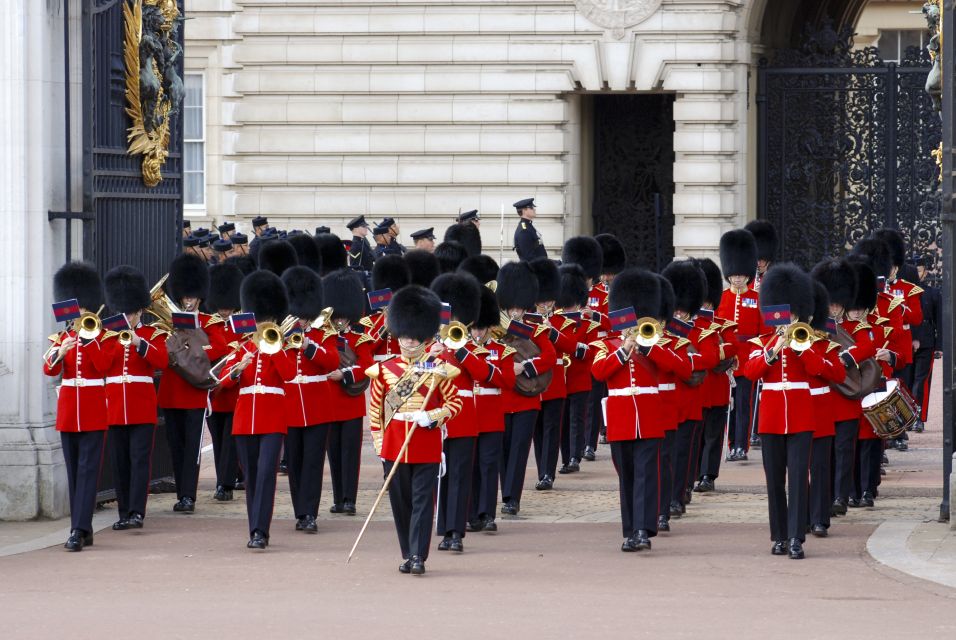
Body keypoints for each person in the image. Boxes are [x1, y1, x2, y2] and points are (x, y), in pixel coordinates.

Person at [740, 263, 838, 560]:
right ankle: (779, 536)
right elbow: (750, 371)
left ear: (799, 312)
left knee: (797, 478)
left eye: (793, 314)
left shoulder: (811, 342)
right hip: (771, 420)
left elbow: (827, 371)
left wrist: (802, 348)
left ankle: (796, 537)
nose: (788, 319)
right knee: (774, 481)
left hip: (801, 417)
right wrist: (774, 349)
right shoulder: (762, 343)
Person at [366, 286, 462, 575]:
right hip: (395, 444)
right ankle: (408, 553)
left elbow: (455, 403)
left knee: (423, 502)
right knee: (401, 504)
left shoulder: (437, 368)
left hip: (425, 442)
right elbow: (376, 412)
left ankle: (419, 556)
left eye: (413, 336)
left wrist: (432, 416)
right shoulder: (384, 370)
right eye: (405, 335)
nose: (408, 341)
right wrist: (380, 445)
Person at [592, 268, 688, 551]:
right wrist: (623, 350)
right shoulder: (606, 345)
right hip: (620, 417)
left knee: (647, 473)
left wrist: (649, 346)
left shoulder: (655, 344)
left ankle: (644, 531)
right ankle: (630, 529)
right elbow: (599, 372)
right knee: (628, 476)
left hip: (648, 416)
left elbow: (680, 367)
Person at [215, 271, 296, 549]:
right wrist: (238, 368)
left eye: (268, 319)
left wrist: (275, 349)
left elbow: (289, 375)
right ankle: (254, 529)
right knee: (251, 477)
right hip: (244, 420)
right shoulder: (241, 348)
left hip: (272, 419)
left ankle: (261, 530)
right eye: (261, 319)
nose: (264, 324)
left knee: (265, 475)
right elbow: (223, 382)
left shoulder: (280, 347)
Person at [44, 263, 110, 551]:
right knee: (74, 472)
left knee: (87, 471)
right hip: (69, 413)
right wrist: (62, 351)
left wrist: (90, 339)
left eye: (85, 309)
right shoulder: (61, 338)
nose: (81, 314)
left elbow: (103, 365)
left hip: (94, 411)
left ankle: (78, 529)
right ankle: (84, 526)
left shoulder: (102, 337)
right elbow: (48, 369)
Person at [157, 254, 229, 514]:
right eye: (185, 297)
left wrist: (192, 346)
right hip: (171, 391)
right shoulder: (167, 323)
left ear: (200, 297)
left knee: (192, 448)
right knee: (176, 447)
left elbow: (220, 348)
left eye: (192, 297)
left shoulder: (210, 322)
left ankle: (189, 495)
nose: (188, 301)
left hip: (194, 393)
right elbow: (159, 354)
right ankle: (181, 493)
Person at [102, 266, 169, 531]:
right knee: (120, 462)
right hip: (117, 406)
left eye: (131, 312)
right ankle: (123, 511)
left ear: (140, 310)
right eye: (124, 311)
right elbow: (103, 366)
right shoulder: (110, 337)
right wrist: (116, 343)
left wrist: (139, 344)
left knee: (140, 460)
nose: (127, 317)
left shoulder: (152, 334)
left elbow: (161, 361)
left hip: (141, 406)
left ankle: (137, 511)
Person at [431, 272, 487, 552]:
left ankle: (455, 532)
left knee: (459, 476)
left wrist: (461, 349)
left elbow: (483, 373)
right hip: (435, 418)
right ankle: (443, 528)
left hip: (462, 418)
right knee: (439, 476)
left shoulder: (468, 348)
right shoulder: (432, 346)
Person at [281, 267, 341, 534]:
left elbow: (332, 362)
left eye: (305, 317)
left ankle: (310, 513)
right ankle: (299, 511)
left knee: (313, 463)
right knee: (294, 462)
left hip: (318, 405)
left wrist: (308, 346)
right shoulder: (281, 332)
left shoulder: (323, 333)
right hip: (290, 405)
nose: (301, 321)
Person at [810, 258, 870, 518]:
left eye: (837, 303)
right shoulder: (814, 327)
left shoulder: (856, 326)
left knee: (845, 450)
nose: (834, 308)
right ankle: (825, 494)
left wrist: (847, 357)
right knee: (826, 451)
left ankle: (840, 497)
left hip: (846, 399)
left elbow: (868, 346)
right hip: (824, 398)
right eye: (830, 303)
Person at [497, 261, 557, 516]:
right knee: (503, 450)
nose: (516, 312)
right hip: (501, 399)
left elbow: (550, 357)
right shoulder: (495, 330)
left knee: (520, 450)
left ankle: (512, 498)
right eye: (512, 307)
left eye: (519, 308)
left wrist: (526, 368)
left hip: (526, 401)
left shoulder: (535, 328)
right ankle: (505, 491)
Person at [323, 268, 375, 515]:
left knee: (350, 453)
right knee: (333, 453)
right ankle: (338, 498)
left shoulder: (359, 337)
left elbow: (366, 366)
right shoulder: (324, 336)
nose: (340, 320)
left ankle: (350, 498)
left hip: (350, 401)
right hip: (330, 402)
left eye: (344, 316)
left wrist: (346, 374)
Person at [467, 286, 515, 533]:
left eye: (481, 327)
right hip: (467, 416)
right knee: (470, 466)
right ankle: (471, 513)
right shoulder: (459, 350)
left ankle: (487, 514)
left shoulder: (502, 351)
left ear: (489, 326)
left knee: (488, 466)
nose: (477, 332)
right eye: (474, 327)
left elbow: (506, 381)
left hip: (491, 416)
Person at [717, 229, 766, 460]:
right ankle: (730, 442)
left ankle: (741, 446)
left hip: (747, 359)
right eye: (733, 274)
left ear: (747, 274)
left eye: (740, 274)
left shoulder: (757, 299)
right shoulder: (721, 297)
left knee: (745, 404)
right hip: (726, 359)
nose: (737, 278)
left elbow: (763, 331)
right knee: (730, 405)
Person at [694, 258, 737, 493]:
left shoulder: (724, 325)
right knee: (696, 435)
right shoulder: (690, 326)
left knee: (713, 436)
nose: (706, 305)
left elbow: (732, 346)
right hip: (697, 388)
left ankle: (708, 475)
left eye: (709, 302)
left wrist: (714, 352)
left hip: (718, 389)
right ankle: (693, 472)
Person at [205, 263, 244, 501]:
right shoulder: (210, 325)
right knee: (219, 441)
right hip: (213, 391)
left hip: (235, 390)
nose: (226, 312)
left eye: (229, 308)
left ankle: (225, 484)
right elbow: (206, 352)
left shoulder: (243, 323)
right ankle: (225, 478)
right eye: (222, 308)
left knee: (230, 440)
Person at [556, 264, 599, 475]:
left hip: (579, 377)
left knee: (576, 419)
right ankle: (566, 457)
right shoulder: (553, 321)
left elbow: (591, 352)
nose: (568, 309)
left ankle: (575, 456)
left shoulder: (587, 324)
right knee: (563, 421)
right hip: (560, 379)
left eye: (571, 305)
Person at [910, 257, 940, 428]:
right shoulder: (902, 291)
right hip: (905, 342)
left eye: (920, 270)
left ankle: (919, 417)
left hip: (926, 341)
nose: (918, 274)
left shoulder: (933, 293)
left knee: (921, 381)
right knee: (906, 380)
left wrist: (940, 346)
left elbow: (939, 321)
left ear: (925, 272)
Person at [744, 220, 777, 292]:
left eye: (762, 259)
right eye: (756, 259)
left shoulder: (775, 282)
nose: (758, 264)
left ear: (768, 261)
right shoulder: (742, 283)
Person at [512, 197, 547, 262]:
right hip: (534, 270)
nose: (534, 210)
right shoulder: (524, 231)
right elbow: (529, 258)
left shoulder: (529, 226)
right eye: (531, 208)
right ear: (524, 210)